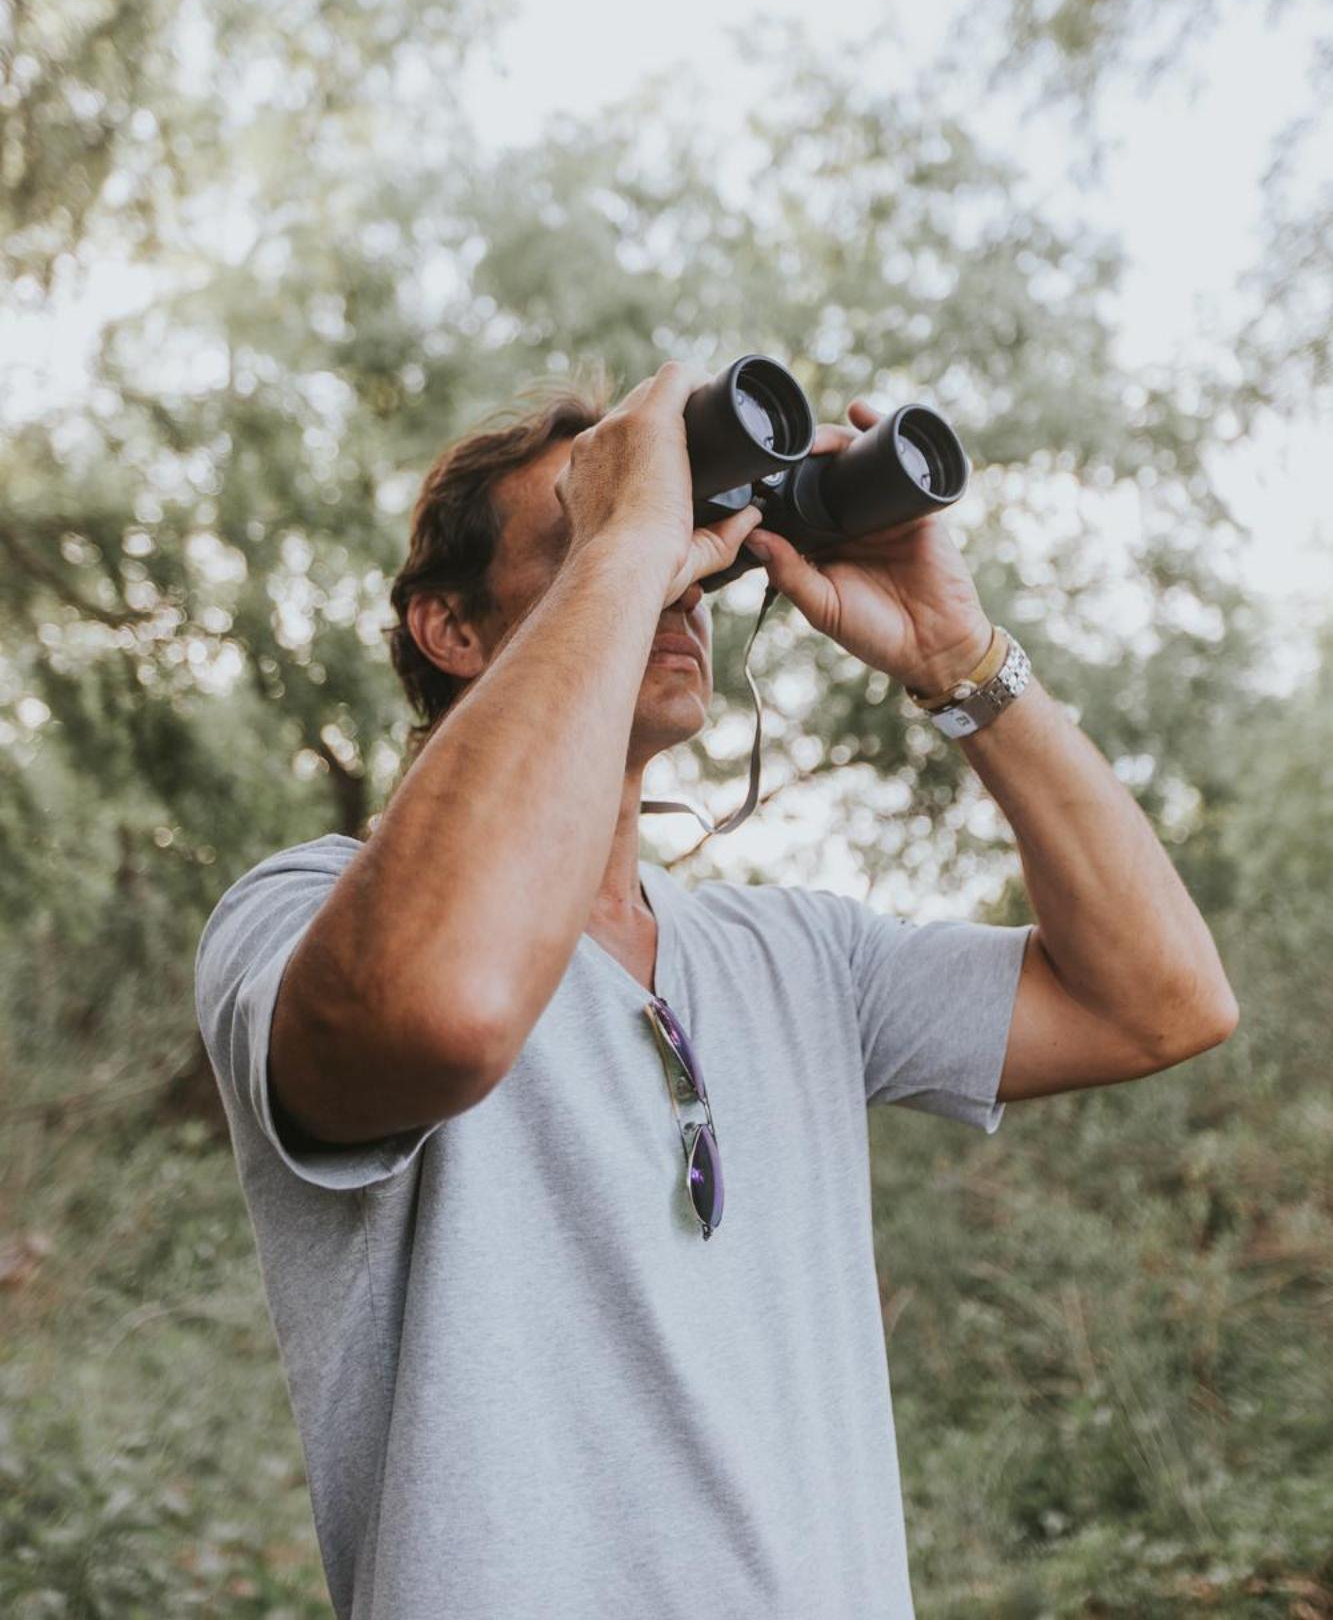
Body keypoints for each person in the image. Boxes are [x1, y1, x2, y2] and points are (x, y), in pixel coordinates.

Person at [195, 360, 1238, 1620]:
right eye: (588, 529)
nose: (681, 573)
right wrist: (626, 541)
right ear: (451, 628)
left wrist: (962, 658)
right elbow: (444, 1009)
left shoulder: (799, 957)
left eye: (696, 540)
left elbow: (1164, 998)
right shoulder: (301, 919)